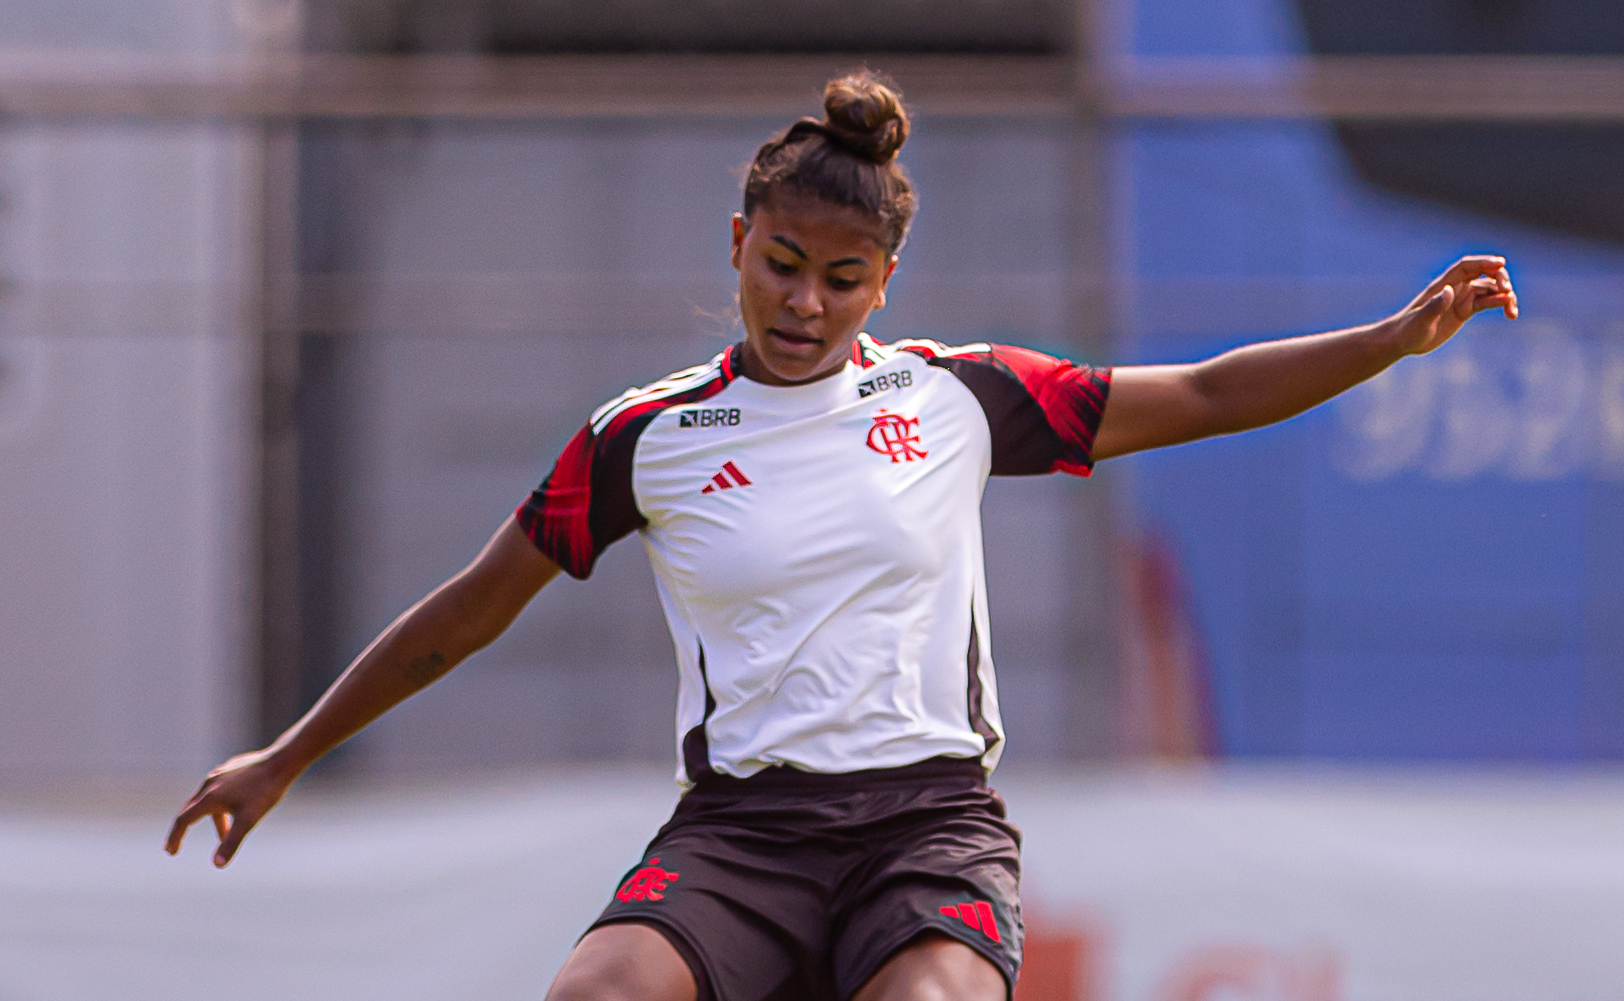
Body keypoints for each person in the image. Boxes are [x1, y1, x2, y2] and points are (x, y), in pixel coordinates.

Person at [166, 70, 1518, 1001]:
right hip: (739, 836)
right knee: (595, 990)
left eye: (841, 277)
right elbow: (468, 610)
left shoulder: (962, 397)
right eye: (781, 265)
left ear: (885, 281)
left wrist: (1394, 338)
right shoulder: (642, 437)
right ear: (739, 240)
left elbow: (1213, 392)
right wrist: (286, 754)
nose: (804, 302)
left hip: (928, 829)